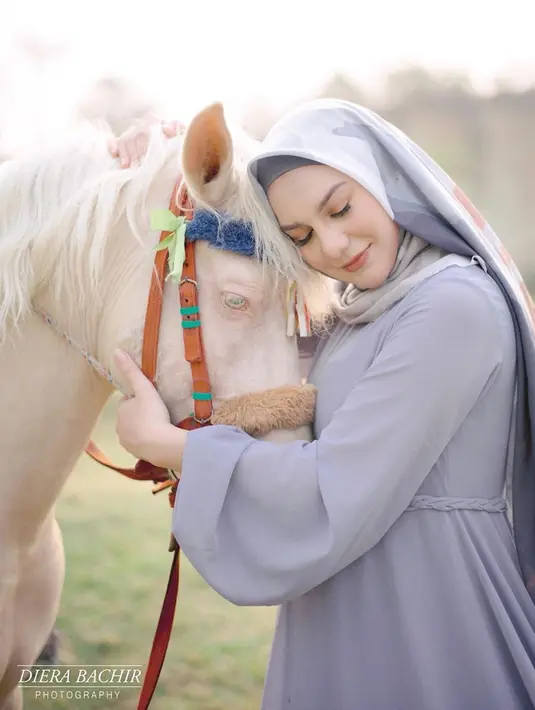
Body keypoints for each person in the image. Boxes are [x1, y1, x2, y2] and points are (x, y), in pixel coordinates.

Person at [110, 99, 535, 710]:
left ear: (382, 178)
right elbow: (283, 405)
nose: (332, 245)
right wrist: (161, 147)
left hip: (433, 609)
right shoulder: (356, 315)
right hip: (341, 597)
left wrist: (163, 444)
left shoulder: (454, 305)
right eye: (301, 236)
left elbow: (333, 481)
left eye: (340, 207)